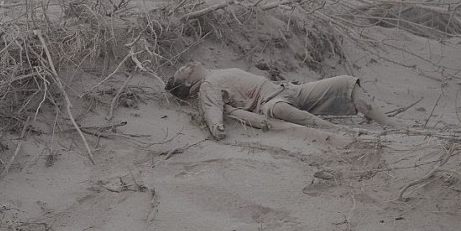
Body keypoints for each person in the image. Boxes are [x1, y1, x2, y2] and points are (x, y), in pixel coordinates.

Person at [165, 62, 390, 141]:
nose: (186, 67)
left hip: (289, 90)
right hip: (271, 102)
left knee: (345, 82)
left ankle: (391, 127)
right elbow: (212, 107)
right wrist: (216, 126)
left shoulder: (215, 71)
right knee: (278, 108)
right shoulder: (207, 85)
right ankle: (338, 130)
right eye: (182, 72)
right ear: (188, 84)